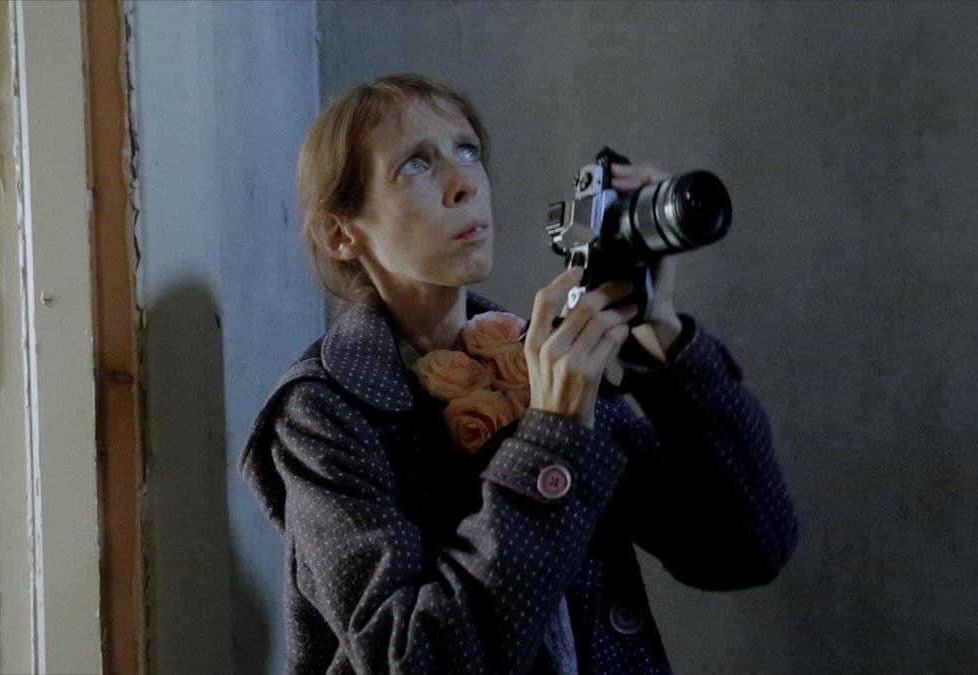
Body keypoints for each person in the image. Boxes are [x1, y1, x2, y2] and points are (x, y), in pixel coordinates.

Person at [240, 73, 797, 674]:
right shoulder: (321, 413)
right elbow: (411, 659)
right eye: (415, 165)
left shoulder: (535, 356)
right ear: (341, 233)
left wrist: (661, 331)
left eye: (467, 150)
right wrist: (553, 435)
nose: (463, 183)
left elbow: (748, 547)